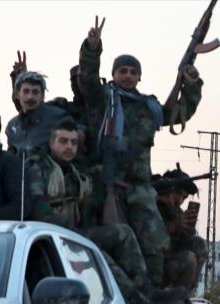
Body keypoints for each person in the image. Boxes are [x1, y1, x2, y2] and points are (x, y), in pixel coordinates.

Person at [77, 16, 203, 286]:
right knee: (118, 239)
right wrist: (92, 48)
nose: (128, 76)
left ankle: (153, 290)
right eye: (122, 71)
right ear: (113, 74)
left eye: (133, 72)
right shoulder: (102, 100)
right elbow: (86, 78)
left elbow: (177, 114)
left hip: (139, 185)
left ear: (140, 77)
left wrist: (191, 85)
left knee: (154, 241)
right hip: (106, 179)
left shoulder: (149, 107)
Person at [25, 120, 184, 304]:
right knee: (97, 254)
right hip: (49, 236)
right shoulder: (37, 167)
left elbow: (89, 205)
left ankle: (148, 290)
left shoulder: (77, 172)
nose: (69, 147)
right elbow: (39, 209)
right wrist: (75, 232)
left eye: (73, 142)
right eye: (63, 141)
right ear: (52, 143)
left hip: (75, 233)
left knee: (123, 233)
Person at [154, 167, 209, 304]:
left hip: (169, 264)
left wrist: (187, 231)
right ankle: (178, 303)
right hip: (154, 268)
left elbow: (181, 242)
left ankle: (183, 299)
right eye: (178, 195)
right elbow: (152, 242)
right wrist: (172, 227)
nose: (180, 201)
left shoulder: (175, 211)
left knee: (199, 245)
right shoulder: (152, 206)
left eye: (184, 198)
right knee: (188, 259)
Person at [5, 71, 72, 156]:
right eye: (26, 91)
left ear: (43, 95)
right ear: (17, 94)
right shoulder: (12, 126)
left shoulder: (58, 117)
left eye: (35, 92)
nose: (30, 97)